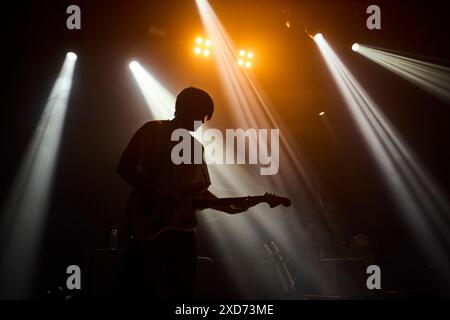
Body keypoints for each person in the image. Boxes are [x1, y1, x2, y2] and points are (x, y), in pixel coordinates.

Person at [116, 87, 245, 299]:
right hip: (150, 223)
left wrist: (224, 206)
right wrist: (158, 195)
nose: (203, 121)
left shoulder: (196, 147)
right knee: (139, 289)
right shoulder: (153, 131)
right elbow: (125, 167)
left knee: (183, 291)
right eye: (201, 114)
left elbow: (199, 192)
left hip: (182, 228)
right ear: (186, 108)